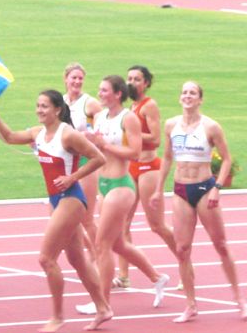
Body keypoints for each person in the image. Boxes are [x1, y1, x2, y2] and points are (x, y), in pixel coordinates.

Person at [0, 89, 112, 332]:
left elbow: (99, 158)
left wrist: (72, 177)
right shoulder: (38, 133)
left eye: (44, 106)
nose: (39, 110)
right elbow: (10, 137)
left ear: (57, 109)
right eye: (37, 106)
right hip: (56, 199)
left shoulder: (69, 135)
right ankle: (103, 308)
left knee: (46, 258)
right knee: (77, 259)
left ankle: (57, 317)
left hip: (71, 198)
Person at [150, 81, 247, 323]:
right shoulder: (171, 125)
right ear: (180, 98)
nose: (187, 96)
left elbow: (226, 159)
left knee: (221, 245)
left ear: (200, 99)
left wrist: (217, 187)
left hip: (205, 189)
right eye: (184, 92)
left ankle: (240, 299)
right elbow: (166, 158)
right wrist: (157, 189)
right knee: (182, 249)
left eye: (192, 93)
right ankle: (190, 304)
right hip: (180, 190)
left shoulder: (211, 127)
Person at [76, 75, 169, 315]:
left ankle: (102, 304)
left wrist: (104, 145)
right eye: (99, 89)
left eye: (105, 90)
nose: (100, 93)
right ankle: (156, 277)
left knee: (102, 244)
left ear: (118, 94)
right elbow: (96, 146)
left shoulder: (128, 118)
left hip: (121, 184)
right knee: (117, 243)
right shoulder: (99, 117)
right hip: (104, 183)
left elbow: (135, 152)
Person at [113, 65, 177, 288]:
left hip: (149, 167)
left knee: (157, 225)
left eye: (137, 79)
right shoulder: (131, 106)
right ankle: (123, 276)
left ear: (147, 83)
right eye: (129, 78)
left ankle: (185, 261)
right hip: (132, 166)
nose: (132, 82)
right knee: (122, 224)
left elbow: (157, 138)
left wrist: (132, 132)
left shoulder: (149, 106)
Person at [62, 62, 103, 260]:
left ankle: (100, 260)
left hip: (86, 163)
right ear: (66, 79)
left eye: (80, 78)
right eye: (73, 78)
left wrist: (89, 135)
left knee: (86, 218)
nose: (77, 81)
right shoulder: (60, 102)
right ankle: (92, 254)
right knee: (69, 217)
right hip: (66, 164)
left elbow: (101, 130)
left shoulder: (90, 104)